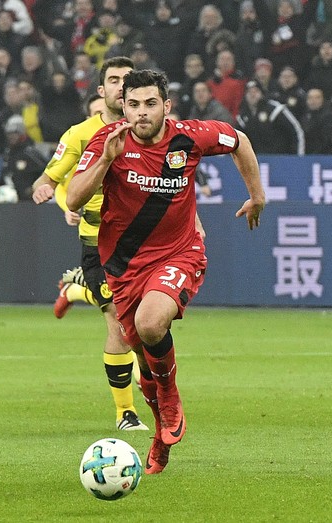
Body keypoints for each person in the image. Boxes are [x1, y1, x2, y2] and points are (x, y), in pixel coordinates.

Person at [67, 68, 266, 474]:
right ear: (123, 106)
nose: (142, 113)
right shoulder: (108, 142)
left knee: (151, 323)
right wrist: (106, 161)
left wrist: (256, 196)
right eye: (134, 104)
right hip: (123, 266)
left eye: (150, 104)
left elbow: (238, 140)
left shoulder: (189, 137)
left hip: (179, 253)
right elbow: (73, 197)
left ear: (166, 106)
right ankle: (161, 433)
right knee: (141, 352)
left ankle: (171, 399)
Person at [31, 57, 152, 434]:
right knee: (118, 317)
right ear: (102, 90)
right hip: (98, 239)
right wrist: (46, 187)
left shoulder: (152, 132)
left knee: (145, 321)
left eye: (126, 80)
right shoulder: (81, 133)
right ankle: (125, 412)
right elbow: (49, 176)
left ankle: (75, 288)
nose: (120, 86)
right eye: (113, 80)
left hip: (146, 241)